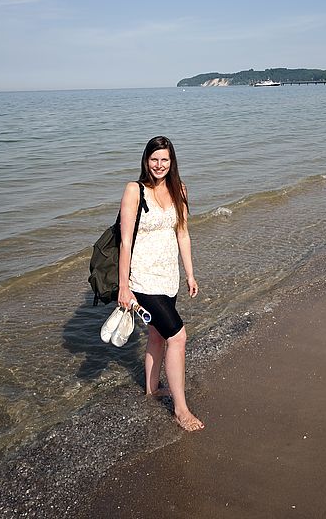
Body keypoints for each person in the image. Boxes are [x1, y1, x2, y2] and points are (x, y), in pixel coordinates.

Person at [117, 136, 204, 431]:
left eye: (164, 159)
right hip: (142, 280)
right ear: (146, 160)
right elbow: (125, 241)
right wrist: (123, 286)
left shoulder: (180, 189)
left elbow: (183, 234)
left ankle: (152, 390)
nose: (159, 165)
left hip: (169, 279)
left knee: (156, 336)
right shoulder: (134, 190)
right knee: (177, 337)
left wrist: (190, 273)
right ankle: (181, 409)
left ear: (172, 161)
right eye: (154, 159)